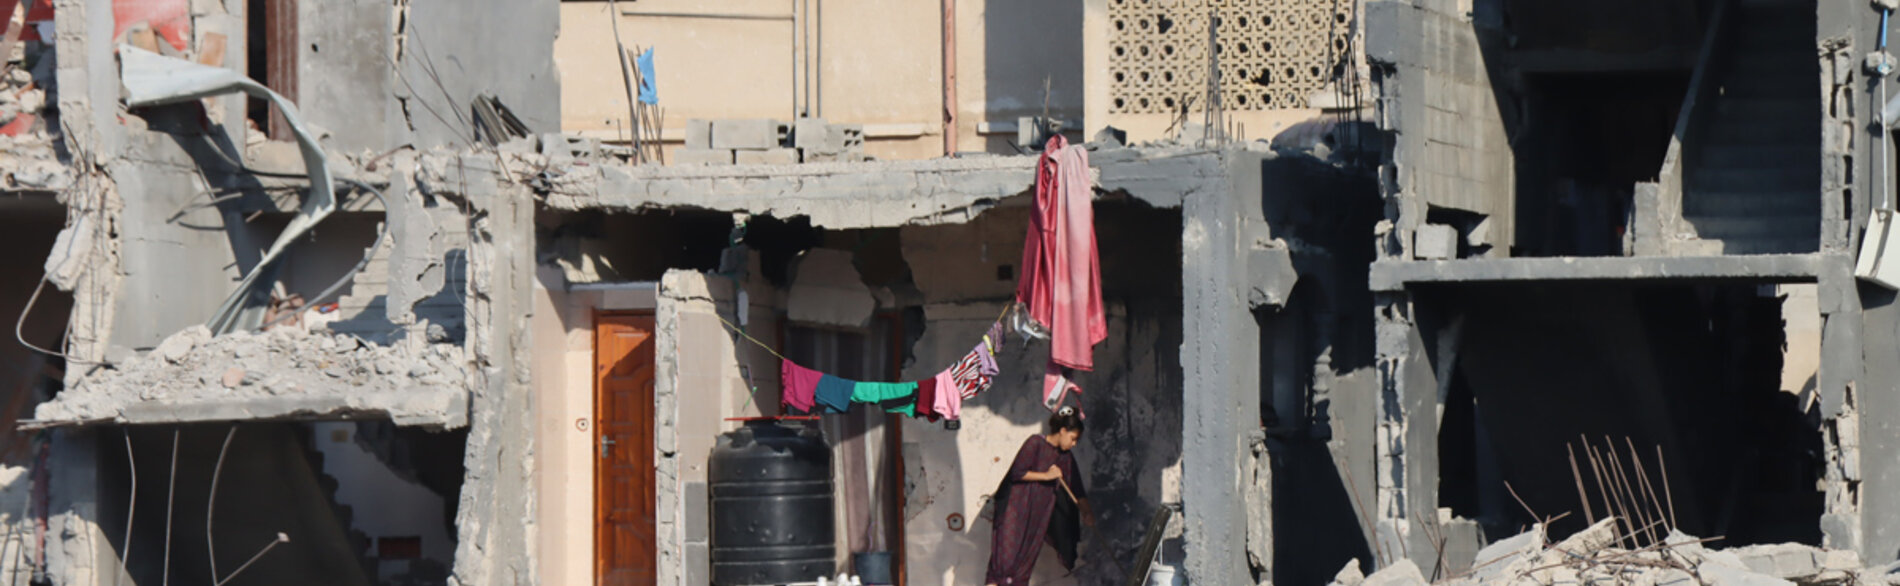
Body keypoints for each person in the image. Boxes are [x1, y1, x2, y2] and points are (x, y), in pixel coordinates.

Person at [986, 407, 1094, 585]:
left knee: (1022, 570)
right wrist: (1046, 476)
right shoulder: (1035, 443)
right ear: (1063, 431)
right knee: (1002, 566)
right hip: (1014, 513)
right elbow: (1017, 473)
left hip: (1037, 518)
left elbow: (1077, 489)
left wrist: (1087, 512)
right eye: (1073, 439)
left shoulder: (1065, 457)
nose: (1074, 444)